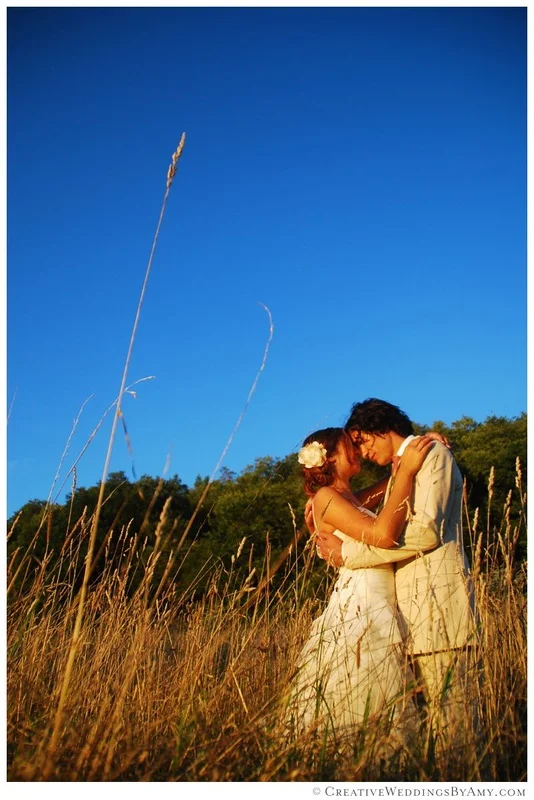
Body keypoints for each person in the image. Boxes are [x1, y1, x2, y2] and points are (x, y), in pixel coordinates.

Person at [313, 399, 478, 745]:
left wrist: (348, 554)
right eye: (353, 446)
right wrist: (401, 472)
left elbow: (425, 532)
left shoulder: (432, 455)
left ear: (381, 429)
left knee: (455, 738)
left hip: (438, 615)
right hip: (401, 623)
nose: (361, 452)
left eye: (363, 441)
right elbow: (377, 519)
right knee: (419, 740)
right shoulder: (393, 474)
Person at [285, 426, 434, 740]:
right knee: (364, 677)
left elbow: (387, 489)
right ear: (330, 457)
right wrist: (406, 471)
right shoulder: (325, 497)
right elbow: (381, 534)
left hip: (379, 589)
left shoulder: (345, 496)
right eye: (348, 444)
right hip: (362, 597)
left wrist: (415, 450)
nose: (356, 448)